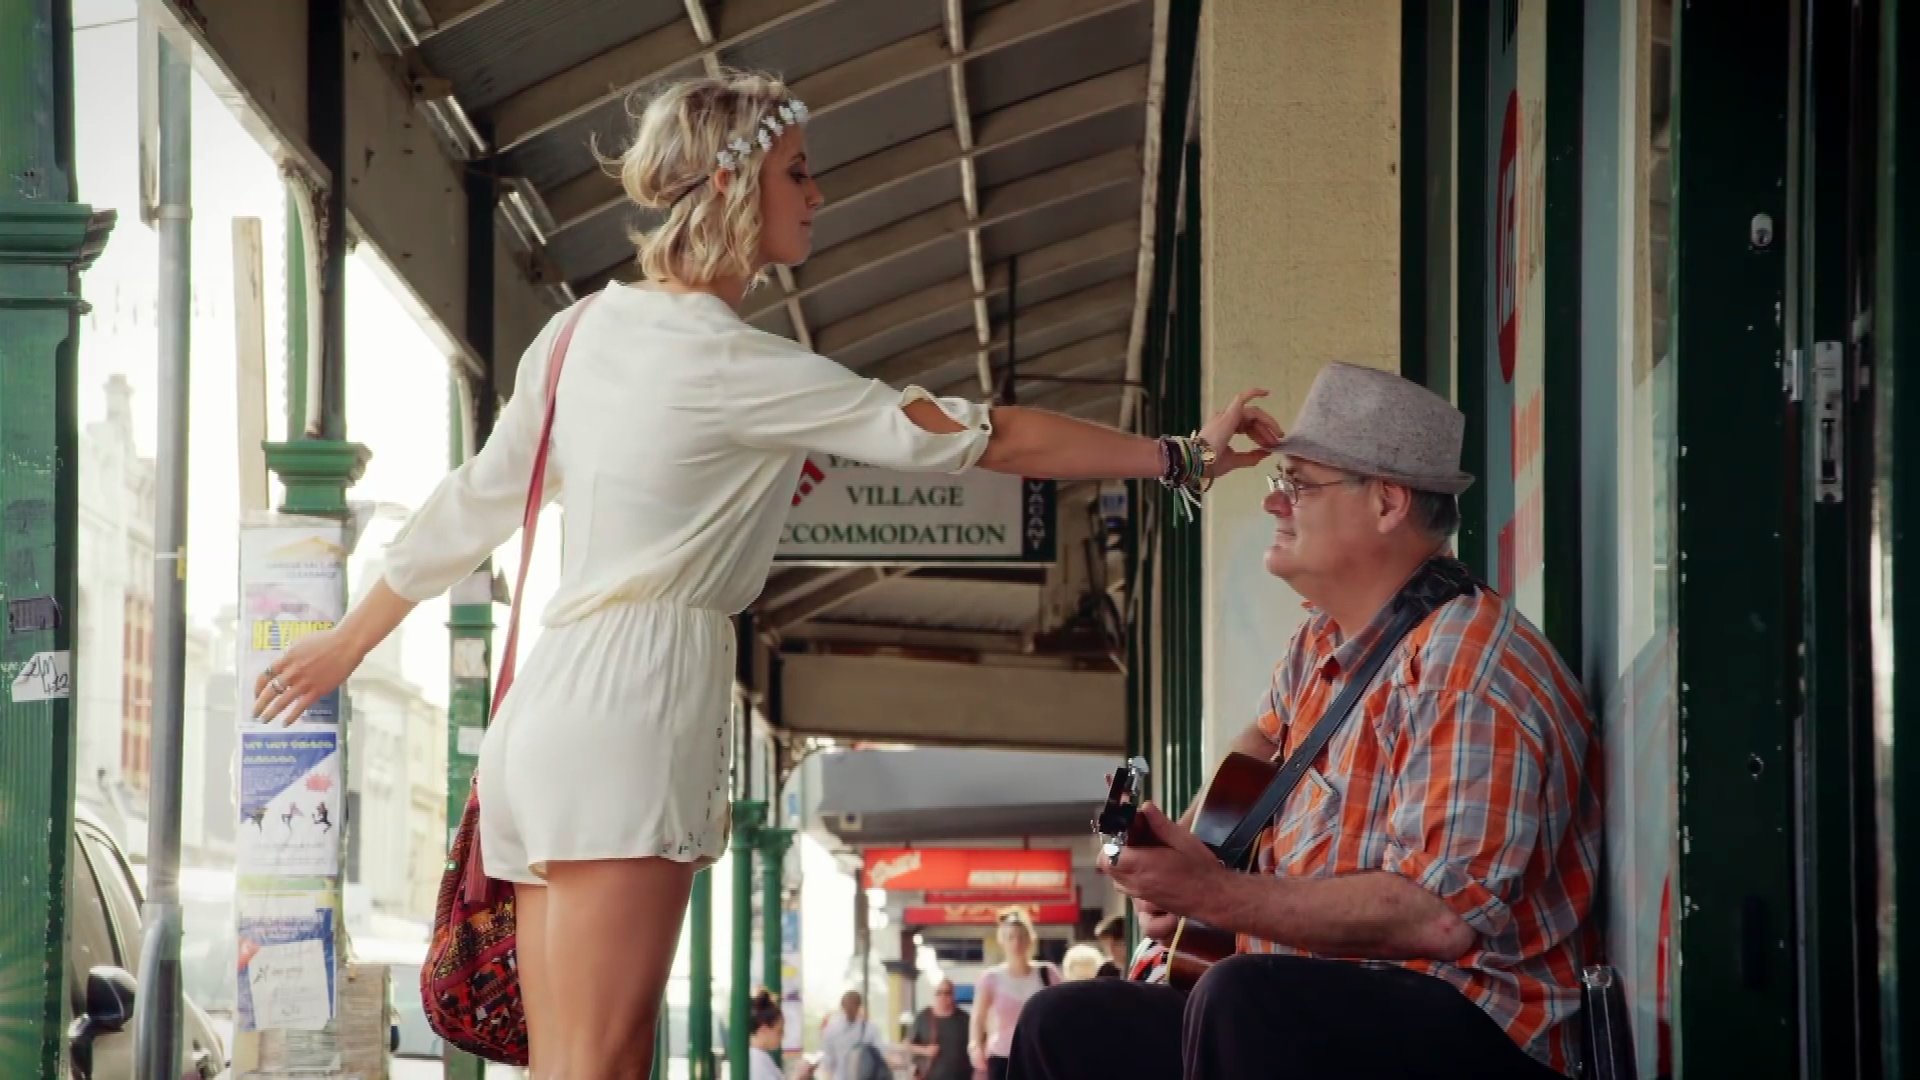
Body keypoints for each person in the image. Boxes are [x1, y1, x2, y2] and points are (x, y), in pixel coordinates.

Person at [247, 69, 1280, 1079]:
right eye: (797, 171)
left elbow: (473, 498)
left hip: (546, 710)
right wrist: (1179, 455)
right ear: (732, 184)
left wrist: (350, 640)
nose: (817, 193)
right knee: (604, 1063)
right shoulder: (731, 361)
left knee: (567, 1060)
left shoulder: (575, 335)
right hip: (636, 704)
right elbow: (986, 437)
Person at [1005, 363, 1603, 1080]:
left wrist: (1210, 893)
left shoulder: (1465, 669)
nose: (1273, 503)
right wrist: (1185, 855)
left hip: (1476, 1029)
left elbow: (1439, 917)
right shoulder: (1322, 640)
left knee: (1243, 1000)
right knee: (1064, 1022)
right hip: (1318, 1009)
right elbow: (1258, 746)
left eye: (1297, 485)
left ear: (1386, 502)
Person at [971, 908, 1061, 1080]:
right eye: (1010, 937)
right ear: (1002, 940)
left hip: (1039, 1055)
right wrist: (974, 1045)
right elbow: (978, 1017)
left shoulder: (1047, 973)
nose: (1016, 943)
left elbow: (1061, 1011)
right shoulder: (991, 977)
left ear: (1030, 939)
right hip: (1002, 1055)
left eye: (1021, 936)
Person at [907, 979, 970, 1080]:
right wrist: (925, 1050)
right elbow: (907, 1045)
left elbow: (976, 1047)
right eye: (939, 993)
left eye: (947, 993)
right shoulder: (923, 1017)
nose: (942, 996)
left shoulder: (965, 1019)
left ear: (954, 995)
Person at [820, 991, 884, 1080]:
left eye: (854, 1005)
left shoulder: (870, 1029)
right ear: (842, 1006)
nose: (850, 1008)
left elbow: (879, 1054)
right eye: (848, 1005)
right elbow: (828, 1060)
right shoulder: (831, 1030)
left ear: (859, 1006)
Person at [749, 989, 809, 1080]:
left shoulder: (760, 1056)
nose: (783, 1036)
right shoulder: (756, 1060)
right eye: (779, 1031)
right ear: (763, 1030)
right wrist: (798, 1076)